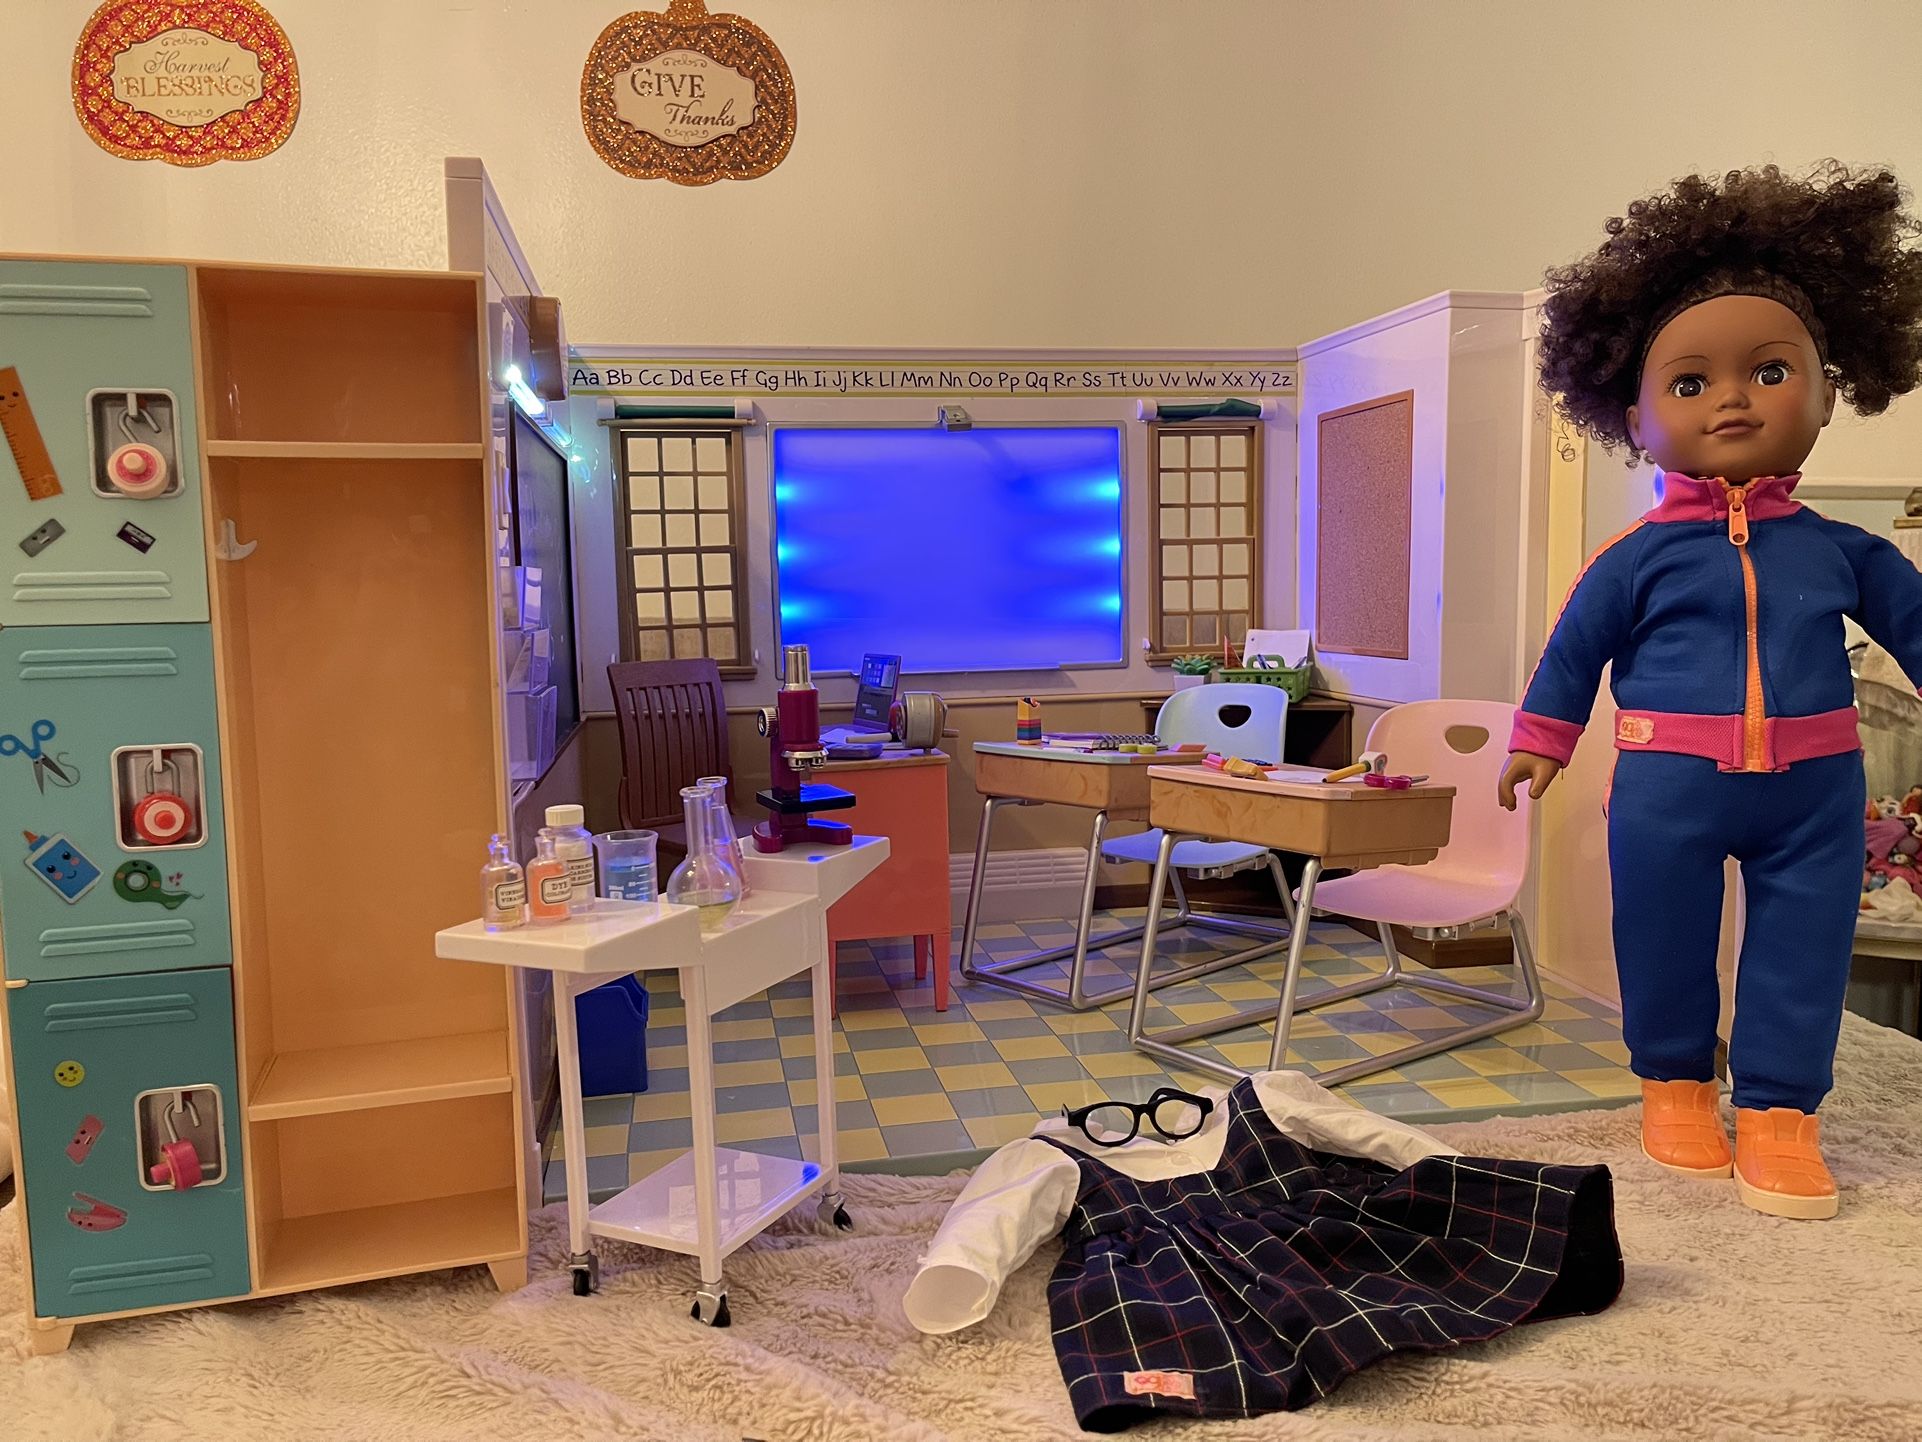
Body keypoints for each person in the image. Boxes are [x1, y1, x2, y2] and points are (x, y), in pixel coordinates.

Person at [1500, 163, 1922, 1219]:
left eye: (1769, 371)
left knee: (1803, 951)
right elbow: (1572, 654)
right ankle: (1676, 1086)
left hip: (1814, 791)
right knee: (1661, 938)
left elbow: (1916, 626)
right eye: (1689, 383)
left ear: (1826, 392)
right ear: (1635, 420)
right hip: (1667, 787)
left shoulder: (1843, 551)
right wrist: (1539, 739)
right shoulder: (1632, 559)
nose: (1731, 397)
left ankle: (1780, 1112)